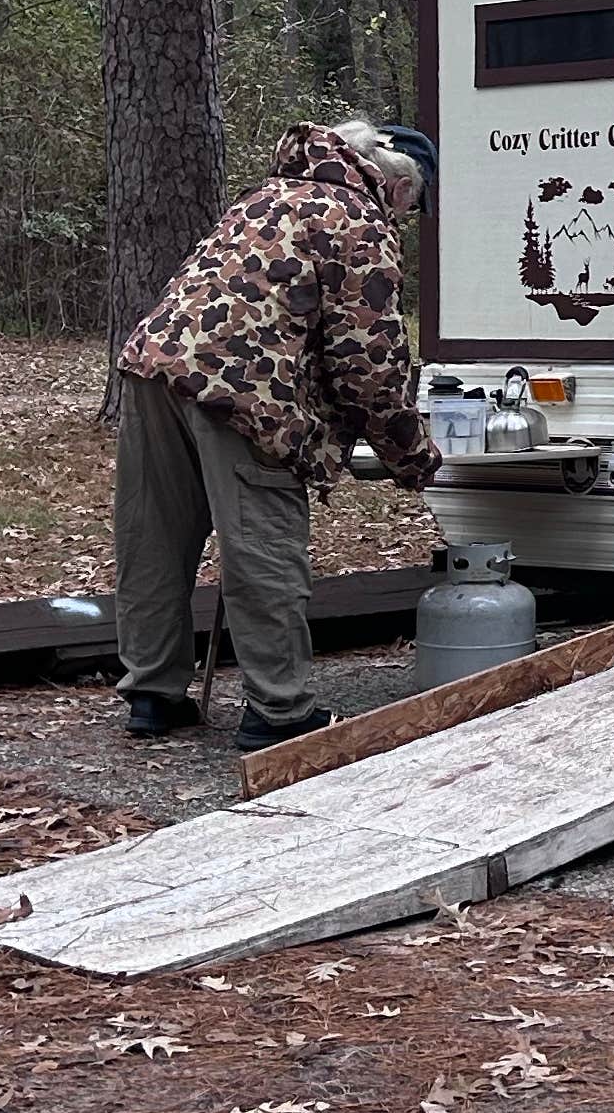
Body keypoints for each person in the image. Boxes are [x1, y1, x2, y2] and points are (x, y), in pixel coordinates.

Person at [113, 118, 440, 752]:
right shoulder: (358, 220)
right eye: (414, 206)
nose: (405, 218)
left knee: (154, 538)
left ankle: (153, 694)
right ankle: (279, 710)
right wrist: (416, 458)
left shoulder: (266, 198)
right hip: (247, 391)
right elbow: (368, 364)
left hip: (156, 367)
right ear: (399, 187)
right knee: (263, 546)